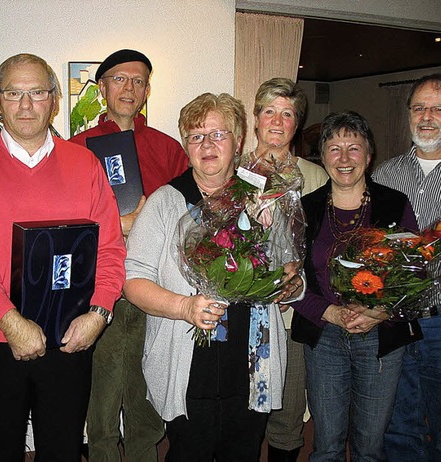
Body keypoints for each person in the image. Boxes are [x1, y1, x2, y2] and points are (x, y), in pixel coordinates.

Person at [0, 53, 125, 462]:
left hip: (70, 338)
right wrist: (10, 320)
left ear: (54, 99)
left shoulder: (86, 164)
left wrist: (99, 314)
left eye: (37, 92)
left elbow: (111, 250)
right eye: (14, 93)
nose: (26, 105)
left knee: (61, 451)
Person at [123, 93, 304, 462]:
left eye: (219, 134)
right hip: (188, 370)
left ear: (238, 141)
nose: (207, 144)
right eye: (196, 136)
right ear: (186, 145)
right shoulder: (165, 201)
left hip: (252, 367)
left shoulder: (262, 199)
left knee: (244, 452)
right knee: (189, 451)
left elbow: (288, 265)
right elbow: (132, 281)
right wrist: (184, 306)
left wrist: (292, 285)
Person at [70, 49, 188, 461]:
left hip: (154, 284)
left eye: (138, 81)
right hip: (100, 285)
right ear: (102, 87)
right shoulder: (77, 148)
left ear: (147, 90)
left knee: (146, 387)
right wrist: (116, 224)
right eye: (119, 79)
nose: (129, 88)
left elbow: (189, 216)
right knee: (102, 391)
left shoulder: (168, 148)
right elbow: (63, 221)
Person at [290, 111, 422, 461]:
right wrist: (329, 312)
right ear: (323, 155)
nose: (344, 158)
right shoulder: (306, 208)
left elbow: (415, 273)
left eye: (354, 148)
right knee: (327, 443)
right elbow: (291, 283)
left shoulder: (394, 203)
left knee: (370, 445)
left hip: (381, 338)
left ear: (369, 154)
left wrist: (380, 311)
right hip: (325, 338)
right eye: (334, 149)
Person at [373, 73, 441, 462]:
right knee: (399, 427)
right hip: (395, 320)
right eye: (418, 108)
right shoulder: (385, 174)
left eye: (439, 108)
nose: (427, 116)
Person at [241, 77, 328, 462]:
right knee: (239, 416)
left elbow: (324, 252)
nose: (277, 121)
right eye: (270, 111)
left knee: (287, 416)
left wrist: (298, 281)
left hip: (292, 317)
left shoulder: (316, 178)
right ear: (256, 117)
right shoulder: (232, 170)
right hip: (238, 316)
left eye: (288, 114)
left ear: (297, 123)